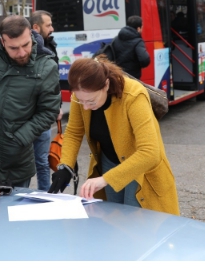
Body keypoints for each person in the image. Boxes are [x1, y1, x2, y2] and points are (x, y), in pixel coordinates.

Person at [48, 56, 179, 215]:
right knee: (113, 220)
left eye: (91, 101)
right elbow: (74, 132)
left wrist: (105, 179)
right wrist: (65, 166)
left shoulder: (133, 95)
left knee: (135, 223)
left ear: (106, 85)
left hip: (139, 167)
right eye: (81, 101)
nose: (86, 107)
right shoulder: (81, 94)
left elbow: (150, 152)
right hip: (109, 161)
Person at [0, 15, 60, 188]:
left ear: (31, 35)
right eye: (14, 48)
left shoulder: (46, 66)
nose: (21, 53)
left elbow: (49, 111)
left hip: (15, 163)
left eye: (26, 45)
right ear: (3, 41)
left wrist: (19, 138)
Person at [29, 10, 63, 192]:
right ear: (36, 27)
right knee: (25, 166)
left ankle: (45, 195)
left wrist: (56, 107)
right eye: (48, 25)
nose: (52, 28)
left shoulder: (51, 45)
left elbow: (53, 83)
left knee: (42, 162)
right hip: (28, 116)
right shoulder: (27, 51)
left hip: (43, 116)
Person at [112, 15, 150, 79]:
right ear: (138, 29)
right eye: (142, 27)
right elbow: (145, 60)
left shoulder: (116, 39)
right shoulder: (138, 41)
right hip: (132, 77)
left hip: (119, 75)